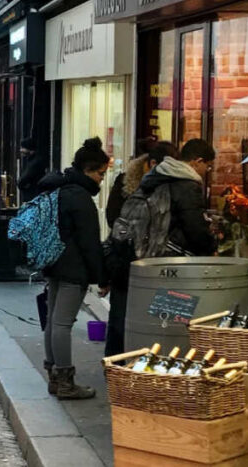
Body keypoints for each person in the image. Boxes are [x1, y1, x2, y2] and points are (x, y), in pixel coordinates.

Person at [36, 137, 109, 400]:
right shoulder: (80, 198)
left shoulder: (59, 189)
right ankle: (66, 381)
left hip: (53, 264)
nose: (102, 179)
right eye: (101, 173)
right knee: (62, 324)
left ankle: (54, 377)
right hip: (72, 269)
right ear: (88, 171)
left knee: (53, 323)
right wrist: (102, 277)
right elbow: (90, 243)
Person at [103, 140, 178, 356]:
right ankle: (117, 367)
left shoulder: (164, 187)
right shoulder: (129, 183)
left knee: (139, 318)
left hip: (139, 261)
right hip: (127, 259)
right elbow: (113, 218)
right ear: (151, 163)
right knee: (121, 318)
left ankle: (124, 364)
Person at [137, 138, 218, 257]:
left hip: (149, 250)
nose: (207, 171)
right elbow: (194, 227)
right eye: (208, 166)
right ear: (198, 161)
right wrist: (211, 248)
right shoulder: (187, 186)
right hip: (173, 257)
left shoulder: (158, 176)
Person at [18, 137, 47, 204]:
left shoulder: (34, 163)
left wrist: (20, 184)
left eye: (23, 148)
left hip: (32, 196)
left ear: (30, 149)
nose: (20, 150)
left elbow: (24, 179)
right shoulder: (34, 160)